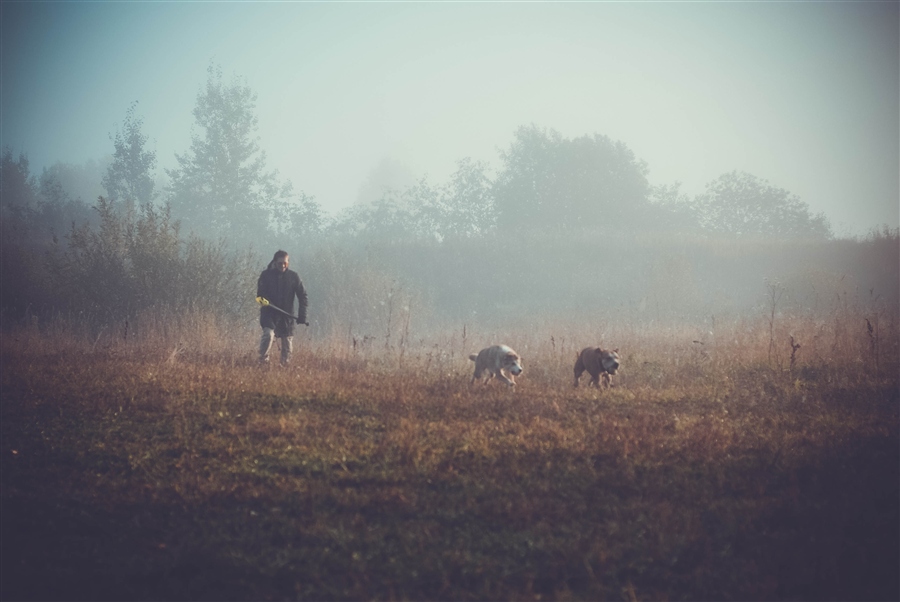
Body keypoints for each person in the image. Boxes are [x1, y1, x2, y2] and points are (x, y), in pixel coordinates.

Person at [257, 250, 308, 365]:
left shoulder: (294, 277)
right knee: (268, 335)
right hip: (268, 314)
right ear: (275, 262)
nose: (283, 265)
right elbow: (259, 297)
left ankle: (284, 368)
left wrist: (302, 315)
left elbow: (303, 296)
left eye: (285, 263)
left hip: (287, 316)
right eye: (280, 263)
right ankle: (262, 363)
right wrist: (267, 303)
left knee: (287, 343)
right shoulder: (265, 276)